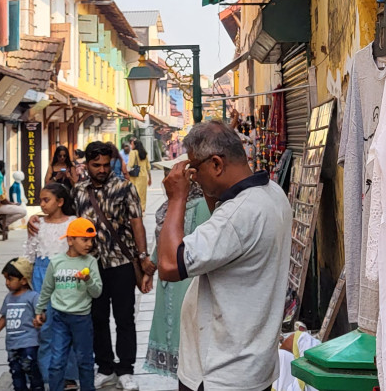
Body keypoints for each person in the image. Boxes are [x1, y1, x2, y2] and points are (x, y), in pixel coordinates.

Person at [157, 120, 292, 391]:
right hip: (250, 368)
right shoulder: (272, 194)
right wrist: (207, 185)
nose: (193, 177)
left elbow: (170, 264)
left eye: (196, 169)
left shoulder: (239, 215)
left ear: (217, 164)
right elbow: (220, 224)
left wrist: (176, 199)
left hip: (220, 373)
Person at [30, 141, 154, 391]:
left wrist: (143, 257)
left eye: (106, 165)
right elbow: (64, 218)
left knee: (124, 318)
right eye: (96, 165)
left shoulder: (124, 187)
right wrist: (38, 217)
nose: (102, 169)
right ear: (86, 164)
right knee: (96, 318)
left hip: (120, 261)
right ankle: (106, 367)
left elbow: (137, 223)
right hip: (90, 265)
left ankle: (126, 368)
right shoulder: (79, 191)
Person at [142, 168, 212, 379]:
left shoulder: (202, 207)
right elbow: (163, 242)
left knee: (186, 328)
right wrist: (151, 267)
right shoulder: (170, 207)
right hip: (172, 278)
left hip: (187, 278)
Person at [34, 218, 103, 391]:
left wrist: (88, 280)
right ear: (70, 240)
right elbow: (47, 288)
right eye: (84, 239)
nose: (89, 244)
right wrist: (39, 309)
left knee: (85, 360)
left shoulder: (90, 262)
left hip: (82, 318)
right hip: (59, 318)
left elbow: (97, 292)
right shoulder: (57, 262)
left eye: (91, 240)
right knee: (57, 360)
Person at [24, 183, 79, 385]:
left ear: (61, 202)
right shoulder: (37, 224)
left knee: (69, 324)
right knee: (45, 326)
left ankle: (70, 375)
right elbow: (30, 254)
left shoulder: (73, 223)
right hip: (41, 277)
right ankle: (49, 375)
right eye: (41, 200)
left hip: (68, 278)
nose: (42, 204)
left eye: (47, 200)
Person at [0, 257, 44, 391]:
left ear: (23, 280)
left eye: (10, 279)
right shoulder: (9, 298)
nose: (7, 283)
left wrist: (40, 320)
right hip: (12, 344)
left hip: (29, 343)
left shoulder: (33, 296)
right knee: (16, 372)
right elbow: (4, 317)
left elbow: (41, 313)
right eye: (6, 279)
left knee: (31, 369)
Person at [0, 157, 26, 228]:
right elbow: (2, 198)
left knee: (17, 209)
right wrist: (12, 203)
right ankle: (1, 223)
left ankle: (1, 222)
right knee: (22, 212)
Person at [126, 139, 152, 212]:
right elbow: (148, 167)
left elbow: (130, 165)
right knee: (142, 194)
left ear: (135, 145)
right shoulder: (145, 153)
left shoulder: (133, 152)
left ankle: (136, 208)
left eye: (132, 144)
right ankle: (142, 208)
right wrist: (150, 178)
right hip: (143, 176)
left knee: (134, 193)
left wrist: (126, 172)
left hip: (135, 176)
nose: (131, 146)